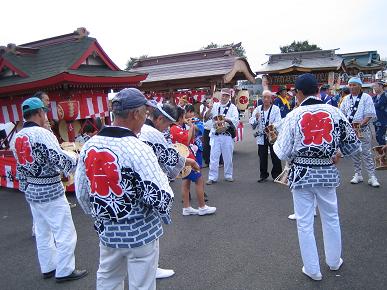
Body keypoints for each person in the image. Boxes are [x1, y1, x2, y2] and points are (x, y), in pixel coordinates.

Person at [75, 88, 174, 290]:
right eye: (145, 113)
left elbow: (82, 192)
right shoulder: (137, 147)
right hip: (140, 231)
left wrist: (100, 215)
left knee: (108, 278)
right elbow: (161, 196)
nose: (146, 118)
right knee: (142, 285)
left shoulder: (90, 145)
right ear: (135, 114)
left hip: (108, 231)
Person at [274, 73, 361, 281]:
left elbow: (282, 152)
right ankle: (333, 261)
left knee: (304, 223)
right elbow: (353, 144)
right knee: (331, 217)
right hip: (327, 174)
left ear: (299, 93)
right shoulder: (334, 111)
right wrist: (337, 153)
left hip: (301, 175)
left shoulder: (294, 115)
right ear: (318, 90)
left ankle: (312, 270)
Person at [10, 97, 87, 282]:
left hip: (32, 190)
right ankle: (65, 270)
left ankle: (48, 267)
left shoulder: (18, 137)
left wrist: (25, 187)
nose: (45, 115)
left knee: (43, 233)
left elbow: (20, 167)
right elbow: (59, 160)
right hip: (50, 189)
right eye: (44, 112)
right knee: (64, 232)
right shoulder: (43, 134)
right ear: (39, 113)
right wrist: (76, 157)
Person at [139, 102, 200, 279]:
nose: (168, 127)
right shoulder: (151, 133)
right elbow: (168, 156)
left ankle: (148, 269)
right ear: (159, 118)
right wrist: (189, 162)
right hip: (148, 187)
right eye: (167, 123)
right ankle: (151, 269)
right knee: (150, 231)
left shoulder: (137, 131)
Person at [170, 106, 216, 216]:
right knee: (199, 180)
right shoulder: (175, 128)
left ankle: (186, 207)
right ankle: (202, 207)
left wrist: (189, 127)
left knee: (186, 183)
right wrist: (191, 126)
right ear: (180, 117)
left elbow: (189, 138)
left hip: (184, 159)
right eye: (184, 116)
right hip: (186, 159)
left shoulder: (176, 128)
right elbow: (187, 140)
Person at [340, 77, 380, 187]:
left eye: (354, 85)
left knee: (366, 153)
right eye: (350, 85)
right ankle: (358, 174)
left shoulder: (366, 97)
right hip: (351, 131)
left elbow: (369, 114)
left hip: (362, 129)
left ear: (360, 86)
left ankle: (372, 176)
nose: (352, 87)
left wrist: (360, 124)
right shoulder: (346, 98)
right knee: (354, 153)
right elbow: (342, 113)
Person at [204, 88, 239, 184]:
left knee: (228, 157)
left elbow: (236, 120)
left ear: (229, 97)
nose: (224, 97)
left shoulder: (233, 107)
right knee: (214, 157)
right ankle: (212, 177)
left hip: (226, 135)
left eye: (227, 96)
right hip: (215, 135)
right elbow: (206, 117)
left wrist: (225, 119)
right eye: (223, 95)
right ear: (220, 95)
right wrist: (209, 108)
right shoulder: (214, 105)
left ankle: (228, 175)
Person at [249, 90, 282, 182]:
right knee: (262, 156)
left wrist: (272, 126)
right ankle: (263, 175)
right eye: (264, 97)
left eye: (268, 97)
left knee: (275, 155)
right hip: (261, 136)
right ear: (262, 98)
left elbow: (279, 121)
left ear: (271, 99)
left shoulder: (275, 109)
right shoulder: (258, 109)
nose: (266, 99)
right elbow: (252, 122)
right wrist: (255, 118)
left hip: (272, 134)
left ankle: (277, 175)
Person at [200, 96, 213, 167]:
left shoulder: (215, 106)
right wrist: (205, 107)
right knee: (206, 146)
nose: (208, 103)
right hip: (206, 128)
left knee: (214, 146)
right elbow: (202, 116)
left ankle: (219, 161)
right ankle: (207, 161)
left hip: (214, 129)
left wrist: (211, 107)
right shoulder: (203, 107)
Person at [372, 81, 387, 145]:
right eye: (373, 87)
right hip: (376, 120)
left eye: (375, 86)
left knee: (381, 138)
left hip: (384, 120)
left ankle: (384, 153)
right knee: (377, 137)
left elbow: (377, 105)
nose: (374, 88)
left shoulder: (385, 95)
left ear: (381, 86)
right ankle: (383, 152)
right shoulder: (374, 97)